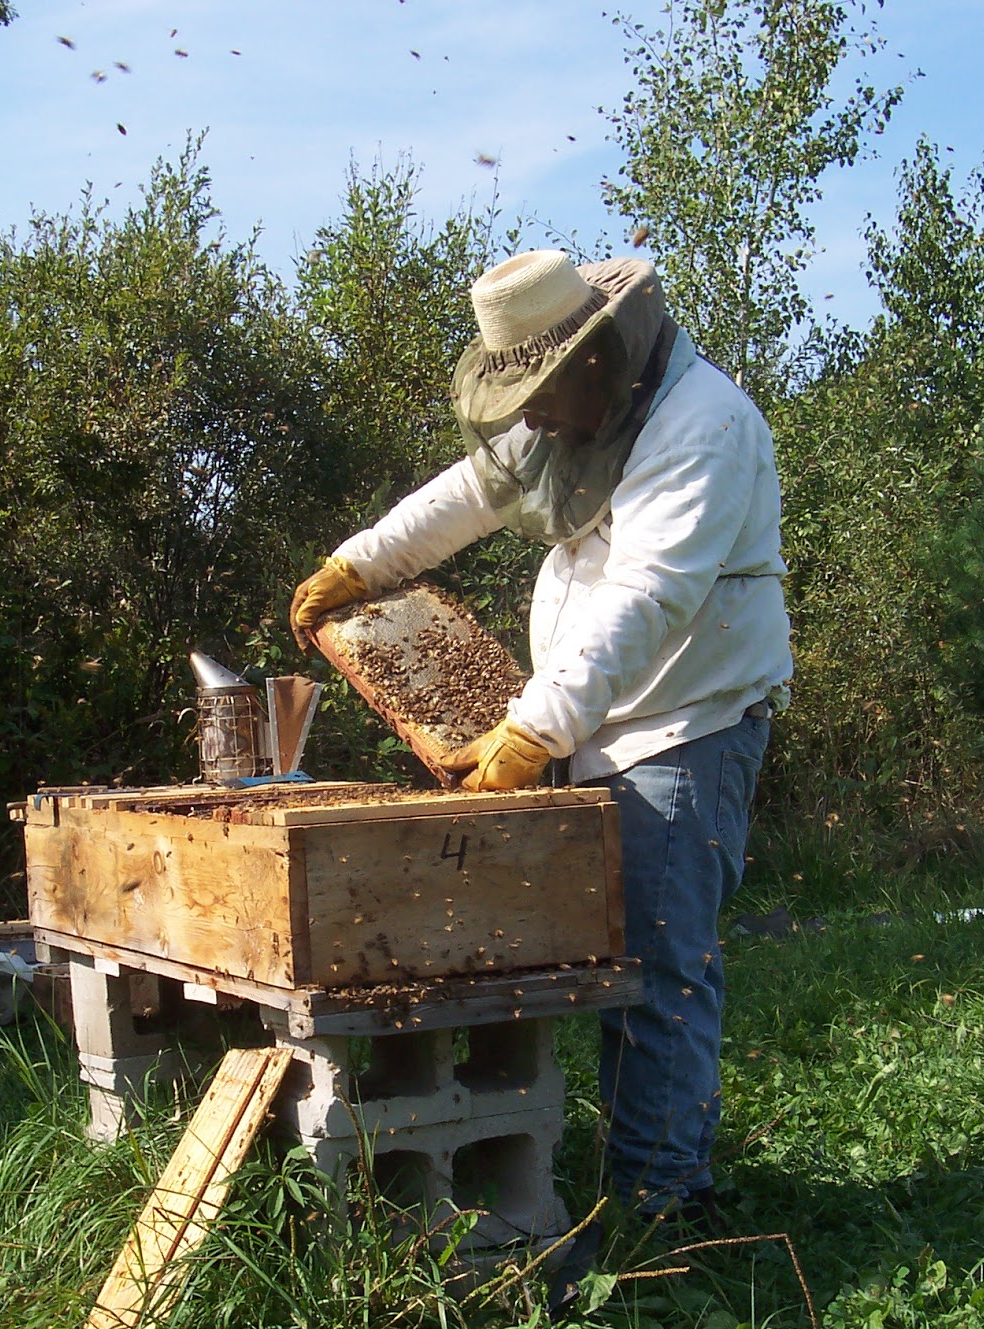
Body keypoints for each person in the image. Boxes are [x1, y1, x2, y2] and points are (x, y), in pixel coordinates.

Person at [290, 248, 792, 1232]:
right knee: (605, 969)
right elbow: (465, 494)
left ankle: (661, 1204)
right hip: (598, 724)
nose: (532, 418)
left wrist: (532, 728)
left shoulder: (705, 429)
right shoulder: (576, 414)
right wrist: (356, 565)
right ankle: (627, 1169)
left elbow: (647, 601)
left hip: (686, 729)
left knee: (659, 968)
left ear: (595, 359)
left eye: (542, 393)